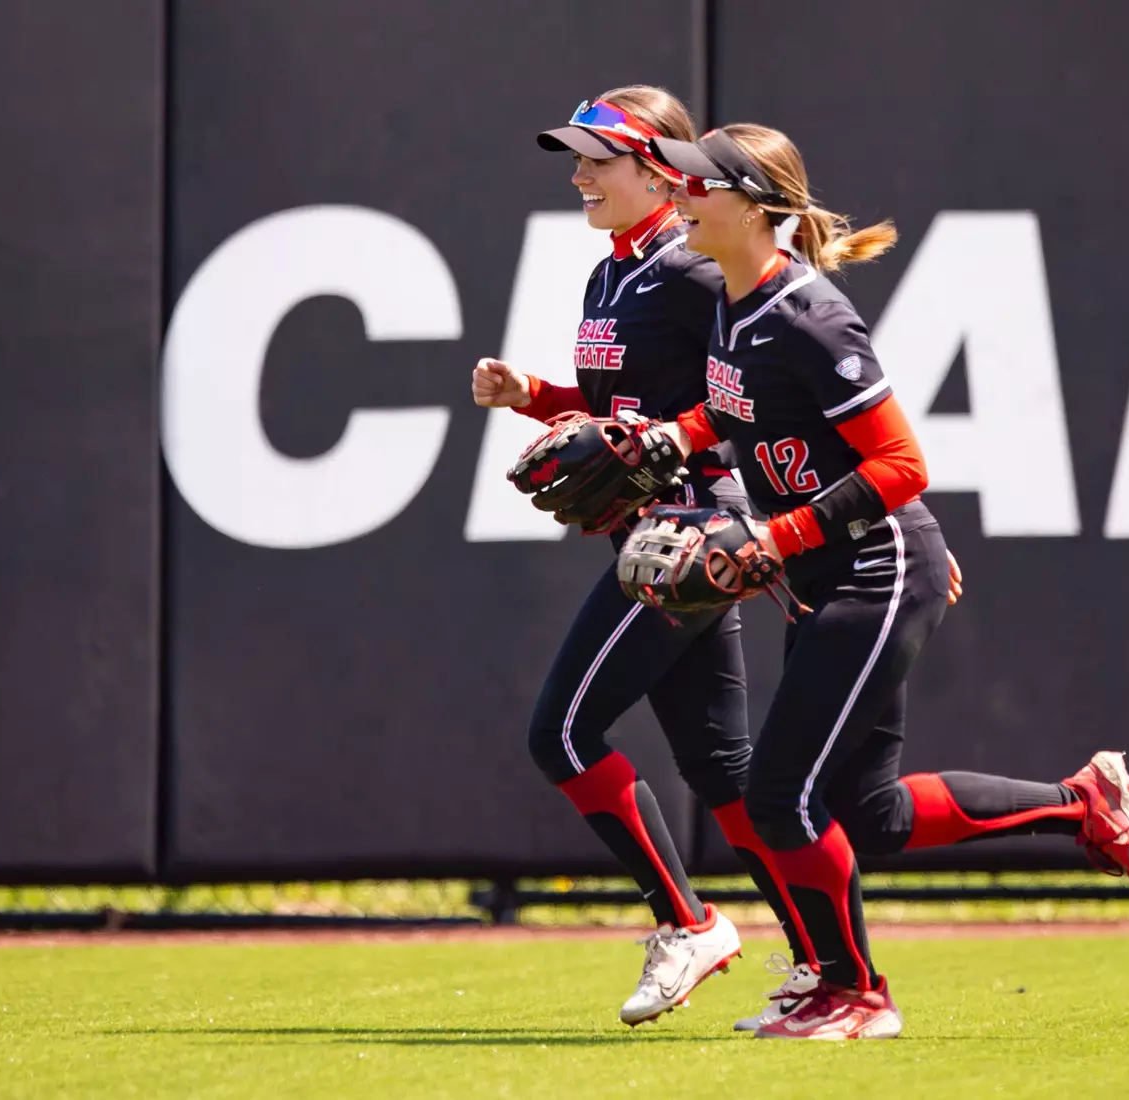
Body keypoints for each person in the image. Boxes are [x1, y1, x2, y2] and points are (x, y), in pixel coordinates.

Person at [635, 122, 1129, 1040]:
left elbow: (900, 462)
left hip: (872, 570)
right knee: (869, 814)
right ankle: (1085, 804)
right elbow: (757, 421)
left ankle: (854, 993)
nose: (677, 195)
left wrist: (786, 532)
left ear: (757, 207)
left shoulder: (809, 313)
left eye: (695, 183)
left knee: (779, 796)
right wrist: (676, 440)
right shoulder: (734, 301)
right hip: (830, 565)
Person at [470, 87, 814, 1030]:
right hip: (651, 532)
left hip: (695, 529)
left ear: (659, 165)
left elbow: (765, 390)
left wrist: (782, 523)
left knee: (563, 732)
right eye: (574, 158)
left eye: (598, 158)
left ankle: (690, 922)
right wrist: (533, 394)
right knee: (721, 765)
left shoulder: (699, 269)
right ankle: (823, 957)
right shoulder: (612, 273)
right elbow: (615, 412)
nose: (579, 174)